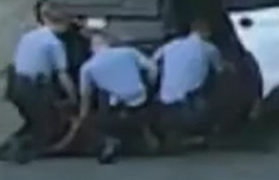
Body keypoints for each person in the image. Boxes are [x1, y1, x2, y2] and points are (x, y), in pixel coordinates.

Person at [0, 7, 79, 164]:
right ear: (66, 24)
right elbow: (63, 75)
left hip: (15, 83)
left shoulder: (28, 36)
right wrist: (72, 96)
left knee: (32, 120)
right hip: (34, 87)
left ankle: (6, 145)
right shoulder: (54, 44)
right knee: (46, 124)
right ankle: (19, 149)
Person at [71, 29, 159, 163]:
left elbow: (85, 96)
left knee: (101, 91)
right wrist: (151, 87)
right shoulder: (129, 52)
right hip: (140, 101)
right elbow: (153, 68)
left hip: (113, 110)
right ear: (109, 43)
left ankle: (109, 140)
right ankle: (148, 134)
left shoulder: (87, 67)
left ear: (92, 48)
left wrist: (82, 118)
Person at [152, 17, 230, 151]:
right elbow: (220, 69)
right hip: (189, 108)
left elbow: (153, 62)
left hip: (163, 105)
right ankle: (206, 130)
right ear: (207, 32)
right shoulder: (209, 48)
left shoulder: (170, 46)